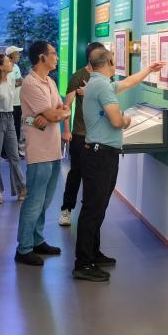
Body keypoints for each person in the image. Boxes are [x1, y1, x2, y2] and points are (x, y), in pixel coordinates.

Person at [72, 48, 164, 281]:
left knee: (98, 207)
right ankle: (83, 263)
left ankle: (93, 253)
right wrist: (127, 120)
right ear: (109, 62)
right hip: (100, 155)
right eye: (114, 60)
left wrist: (148, 69)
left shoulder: (99, 82)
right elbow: (116, 121)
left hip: (101, 154)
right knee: (93, 209)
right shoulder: (102, 86)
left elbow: (128, 83)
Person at [14, 41, 68, 266]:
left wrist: (56, 114)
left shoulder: (50, 82)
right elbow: (54, 115)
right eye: (53, 53)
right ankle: (24, 248)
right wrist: (54, 114)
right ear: (42, 57)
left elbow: (62, 110)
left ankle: (37, 240)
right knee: (35, 200)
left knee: (45, 201)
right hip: (39, 152)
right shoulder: (31, 83)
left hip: (53, 150)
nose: (56, 57)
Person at [58, 42, 105, 226]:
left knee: (95, 177)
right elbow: (67, 106)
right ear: (91, 57)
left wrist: (90, 91)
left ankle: (89, 213)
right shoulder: (78, 76)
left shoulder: (105, 76)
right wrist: (66, 130)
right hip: (80, 134)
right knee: (76, 173)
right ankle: (66, 209)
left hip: (99, 136)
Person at [0, 53, 24, 204]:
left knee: (14, 155)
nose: (11, 63)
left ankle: (21, 188)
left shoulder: (11, 79)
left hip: (10, 118)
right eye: (7, 61)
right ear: (0, 67)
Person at [6, 46, 24, 157]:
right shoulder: (5, 67)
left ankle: (16, 150)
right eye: (17, 54)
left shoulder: (16, 66)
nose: (19, 56)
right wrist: (16, 83)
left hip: (18, 102)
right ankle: (7, 152)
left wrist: (17, 83)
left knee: (17, 126)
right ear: (10, 56)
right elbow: (7, 84)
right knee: (9, 128)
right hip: (9, 103)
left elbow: (20, 80)